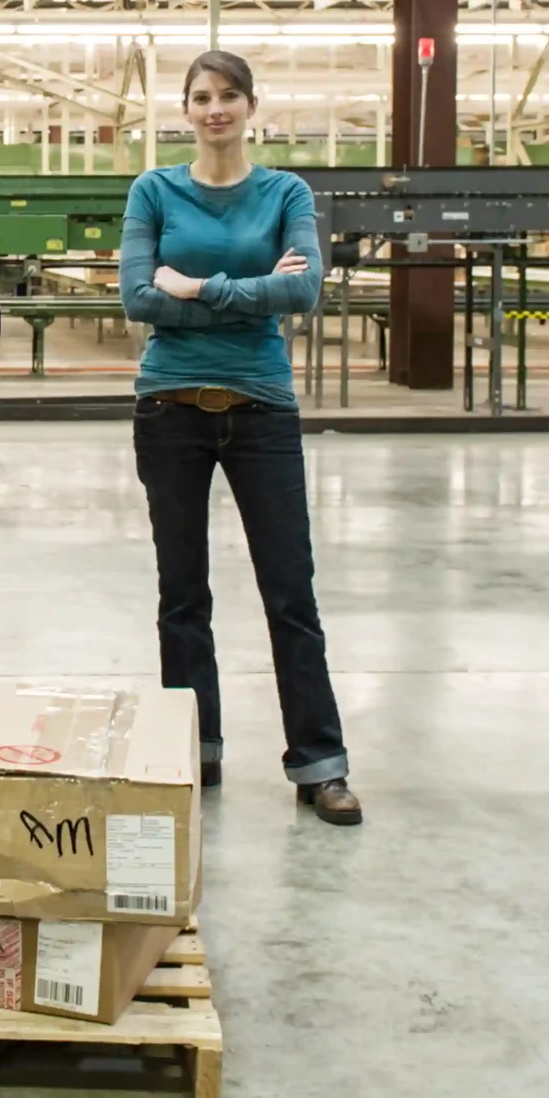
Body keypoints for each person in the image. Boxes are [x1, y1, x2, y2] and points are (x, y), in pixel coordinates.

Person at [119, 50, 359, 825]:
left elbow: (305, 291)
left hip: (262, 409)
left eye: (228, 96)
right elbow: (135, 298)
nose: (215, 109)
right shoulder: (153, 190)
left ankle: (319, 763)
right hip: (171, 409)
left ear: (252, 106)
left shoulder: (286, 191)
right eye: (201, 97)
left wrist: (193, 286)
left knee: (291, 590)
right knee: (181, 592)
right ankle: (197, 751)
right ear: (185, 111)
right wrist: (249, 296)